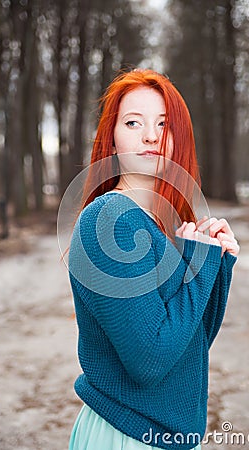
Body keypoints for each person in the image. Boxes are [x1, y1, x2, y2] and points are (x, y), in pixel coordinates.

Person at [67, 69, 239, 450]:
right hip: (126, 435)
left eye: (164, 124)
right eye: (133, 122)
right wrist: (199, 267)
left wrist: (215, 263)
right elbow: (149, 362)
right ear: (111, 141)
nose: (151, 135)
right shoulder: (109, 219)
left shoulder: (160, 227)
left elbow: (190, 345)